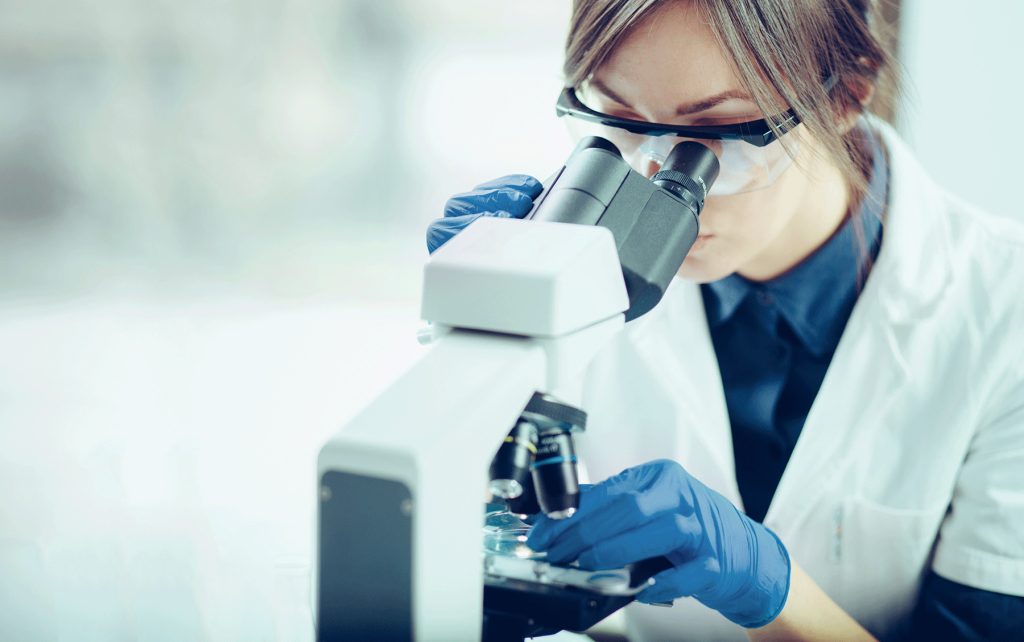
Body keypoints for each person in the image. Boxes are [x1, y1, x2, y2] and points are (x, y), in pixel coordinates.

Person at [426, 1, 1024, 639]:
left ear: (847, 94)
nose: (656, 176)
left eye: (719, 132)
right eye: (620, 119)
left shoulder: (1002, 311)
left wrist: (775, 590)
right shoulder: (569, 256)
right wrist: (480, 333)